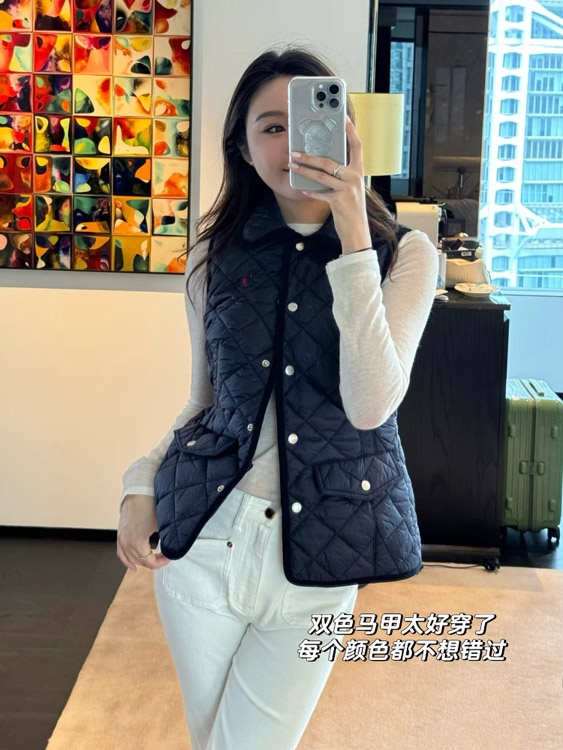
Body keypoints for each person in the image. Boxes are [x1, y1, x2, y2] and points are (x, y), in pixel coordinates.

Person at [117, 47, 437, 750]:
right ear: (242, 147)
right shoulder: (214, 255)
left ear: (346, 132)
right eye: (270, 126)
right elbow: (204, 405)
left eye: (310, 122)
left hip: (323, 552)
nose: (292, 143)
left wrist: (352, 232)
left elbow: (370, 406)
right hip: (205, 541)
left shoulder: (406, 255)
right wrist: (139, 483)